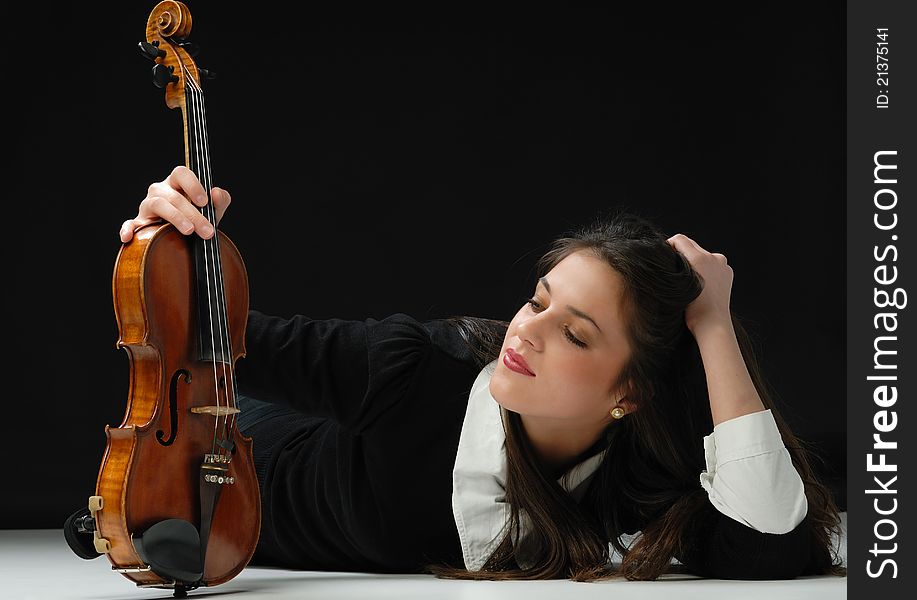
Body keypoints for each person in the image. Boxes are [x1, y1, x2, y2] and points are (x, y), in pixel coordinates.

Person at [118, 166, 847, 581]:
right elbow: (195, 336)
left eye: (574, 333)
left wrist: (712, 323)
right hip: (223, 466)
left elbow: (770, 545)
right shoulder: (407, 373)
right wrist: (166, 243)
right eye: (538, 299)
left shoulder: (633, 482)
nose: (526, 329)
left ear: (628, 394)